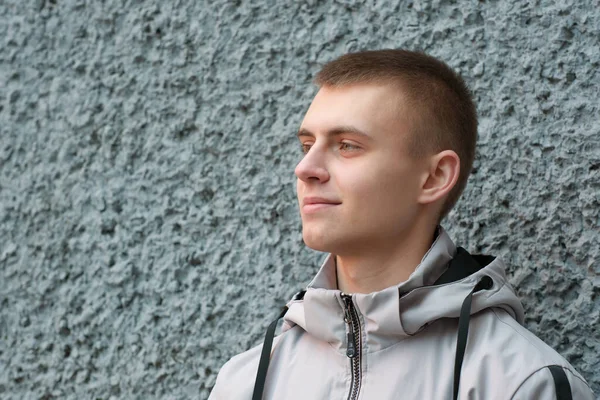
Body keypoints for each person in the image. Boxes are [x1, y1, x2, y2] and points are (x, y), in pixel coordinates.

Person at [208, 49, 595, 399]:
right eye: (307, 146)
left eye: (347, 145)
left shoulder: (522, 383)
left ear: (434, 178)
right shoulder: (246, 382)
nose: (305, 169)